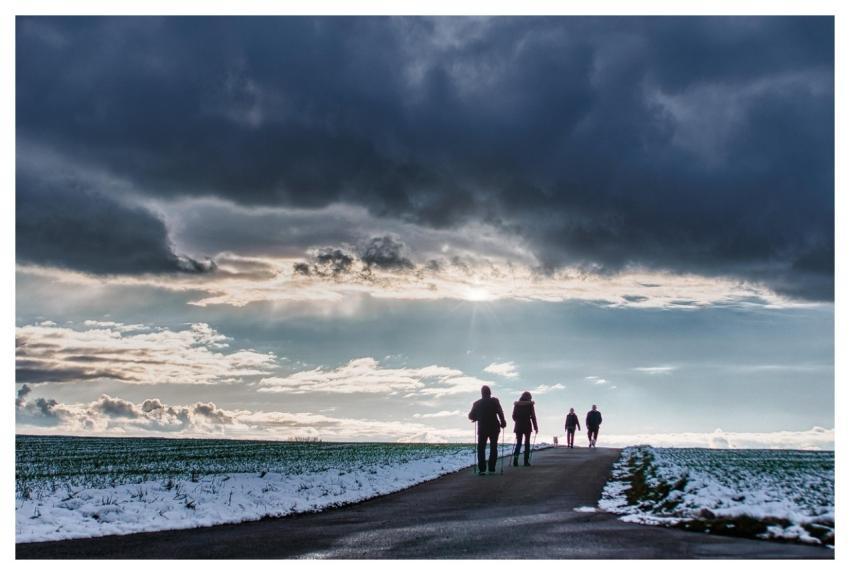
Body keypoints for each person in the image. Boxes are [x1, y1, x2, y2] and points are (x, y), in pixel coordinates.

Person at [468, 385, 507, 475]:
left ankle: (482, 469)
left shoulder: (477, 403)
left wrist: (476, 417)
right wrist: (503, 422)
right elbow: (500, 412)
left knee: (481, 448)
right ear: (490, 392)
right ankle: (491, 468)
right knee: (494, 447)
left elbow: (470, 416)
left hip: (482, 429)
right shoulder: (495, 401)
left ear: (482, 393)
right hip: (494, 428)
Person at [512, 391, 539, 466]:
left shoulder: (517, 405)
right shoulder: (530, 405)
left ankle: (515, 459)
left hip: (518, 426)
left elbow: (513, 416)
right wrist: (536, 427)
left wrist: (518, 420)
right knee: (527, 444)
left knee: (519, 443)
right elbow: (533, 417)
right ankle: (526, 461)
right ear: (529, 397)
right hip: (527, 426)